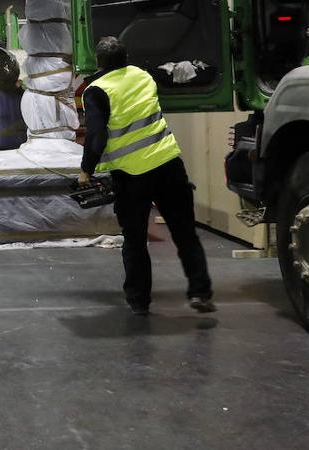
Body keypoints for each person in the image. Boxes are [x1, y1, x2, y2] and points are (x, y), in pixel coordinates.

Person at [78, 36, 214, 316]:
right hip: (168, 164)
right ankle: (200, 292)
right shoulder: (143, 75)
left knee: (135, 239)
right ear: (126, 57)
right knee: (185, 232)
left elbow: (96, 136)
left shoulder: (96, 91)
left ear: (98, 62)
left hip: (131, 176)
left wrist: (85, 171)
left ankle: (139, 301)